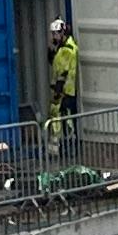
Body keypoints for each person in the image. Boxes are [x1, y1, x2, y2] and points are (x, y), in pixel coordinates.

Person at [45, 15, 82, 157]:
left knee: (65, 121)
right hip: (64, 91)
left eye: (55, 34)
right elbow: (55, 63)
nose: (53, 36)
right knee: (63, 120)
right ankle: (65, 147)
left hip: (65, 91)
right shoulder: (63, 48)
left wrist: (57, 92)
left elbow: (63, 73)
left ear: (62, 33)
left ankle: (67, 148)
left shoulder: (67, 49)